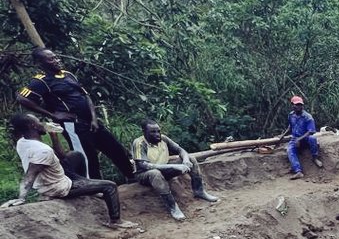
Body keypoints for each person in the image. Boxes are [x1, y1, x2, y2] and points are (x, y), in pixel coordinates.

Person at [17, 47, 135, 181]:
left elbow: (86, 96)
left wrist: (94, 119)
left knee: (115, 148)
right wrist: (53, 115)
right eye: (51, 59)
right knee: (87, 157)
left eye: (56, 57)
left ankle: (132, 177)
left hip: (91, 122)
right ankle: (94, 188)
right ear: (40, 63)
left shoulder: (68, 75)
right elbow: (22, 99)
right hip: (74, 125)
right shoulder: (41, 81)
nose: (56, 60)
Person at [1, 113, 132, 228]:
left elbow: (62, 156)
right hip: (57, 187)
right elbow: (30, 174)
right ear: (32, 126)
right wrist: (21, 198)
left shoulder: (22, 142)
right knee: (110, 186)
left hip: (49, 177)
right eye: (39, 121)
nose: (42, 123)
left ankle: (85, 183)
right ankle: (115, 221)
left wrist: (54, 135)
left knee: (76, 156)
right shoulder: (42, 151)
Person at [131, 119, 219, 221]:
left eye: (158, 131)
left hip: (164, 168)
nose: (157, 134)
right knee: (155, 173)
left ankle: (199, 191)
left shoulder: (163, 139)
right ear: (144, 131)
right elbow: (144, 165)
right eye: (153, 132)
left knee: (191, 158)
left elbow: (180, 150)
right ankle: (173, 207)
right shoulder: (139, 143)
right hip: (144, 174)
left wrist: (185, 161)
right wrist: (175, 167)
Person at [284, 95, 322, 179]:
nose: (298, 106)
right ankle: (298, 171)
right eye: (296, 105)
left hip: (305, 138)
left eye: (300, 105)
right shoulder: (291, 115)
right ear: (292, 105)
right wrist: (282, 135)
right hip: (295, 138)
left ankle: (315, 157)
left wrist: (299, 139)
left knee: (313, 139)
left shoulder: (308, 117)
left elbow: (311, 131)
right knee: (290, 150)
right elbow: (290, 127)